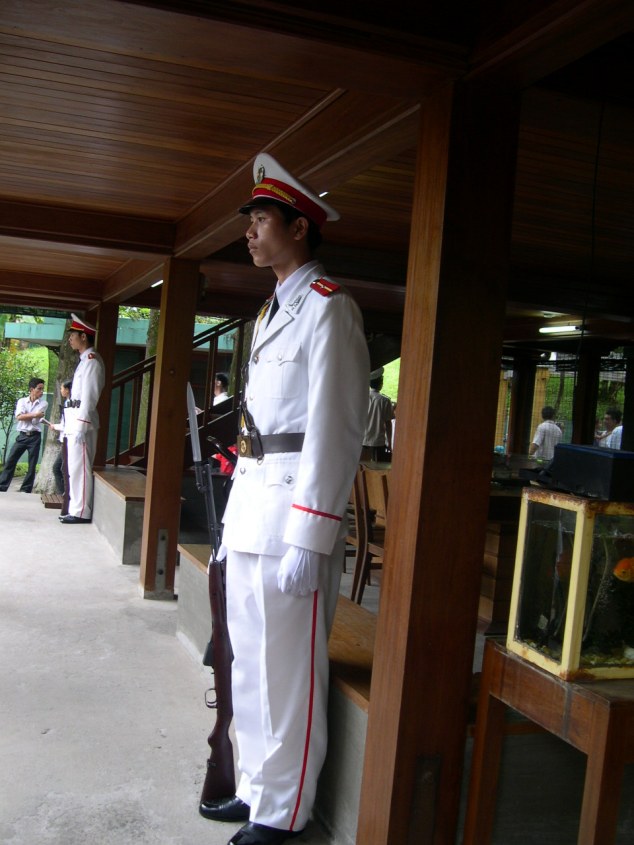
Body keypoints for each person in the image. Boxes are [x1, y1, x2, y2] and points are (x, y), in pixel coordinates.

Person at [201, 153, 369, 845]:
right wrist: (229, 522)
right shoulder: (273, 309)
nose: (249, 231)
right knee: (247, 662)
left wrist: (312, 533)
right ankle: (255, 787)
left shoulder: (329, 309)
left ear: (299, 227)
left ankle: (284, 813)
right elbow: (257, 433)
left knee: (288, 674)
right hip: (252, 510)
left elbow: (335, 429)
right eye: (250, 221)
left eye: (262, 219)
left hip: (291, 521)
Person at [58, 314, 105, 524]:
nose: (70, 339)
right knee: (73, 469)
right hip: (73, 420)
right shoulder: (84, 361)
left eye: (73, 335)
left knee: (81, 469)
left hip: (81, 422)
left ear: (83, 337)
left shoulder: (92, 361)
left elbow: (90, 397)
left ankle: (81, 511)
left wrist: (81, 426)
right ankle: (75, 508)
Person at [0, 377, 48, 493]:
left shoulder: (44, 403)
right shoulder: (22, 401)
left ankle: (25, 490)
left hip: (35, 437)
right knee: (11, 461)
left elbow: (34, 421)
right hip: (22, 436)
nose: (41, 392)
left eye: (43, 389)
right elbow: (19, 417)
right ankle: (2, 486)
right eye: (39, 389)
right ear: (31, 389)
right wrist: (34, 414)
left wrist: (27, 415)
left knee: (32, 465)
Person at [361, 367, 394, 461]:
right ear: (381, 383)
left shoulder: (362, 398)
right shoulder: (385, 401)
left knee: (362, 466)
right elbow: (388, 424)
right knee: (377, 467)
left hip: (362, 441)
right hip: (378, 442)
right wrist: (389, 443)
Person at [50, 380, 72, 498]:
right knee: (58, 468)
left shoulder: (71, 404)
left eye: (62, 388)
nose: (61, 390)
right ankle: (62, 493)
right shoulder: (68, 403)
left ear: (67, 390)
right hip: (65, 441)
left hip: (68, 441)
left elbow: (67, 425)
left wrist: (55, 426)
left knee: (61, 468)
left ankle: (65, 494)